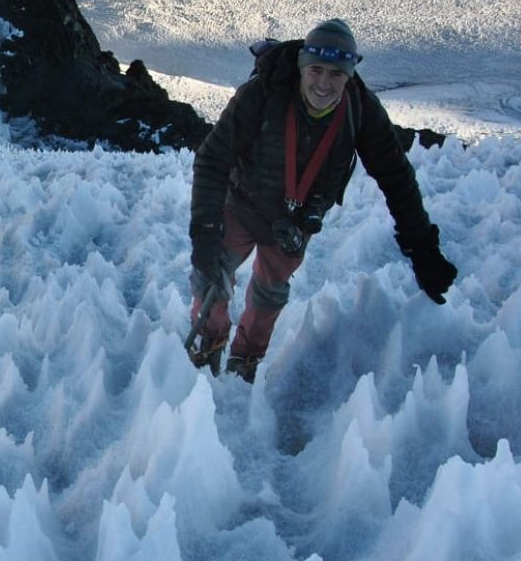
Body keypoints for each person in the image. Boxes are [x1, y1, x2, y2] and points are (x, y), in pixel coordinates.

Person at [187, 19, 457, 381]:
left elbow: (395, 176)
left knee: (270, 293)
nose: (324, 84)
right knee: (210, 279)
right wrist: (205, 231)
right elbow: (212, 158)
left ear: (350, 75)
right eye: (315, 70)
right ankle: (209, 343)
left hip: (294, 222)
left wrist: (422, 247)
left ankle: (245, 362)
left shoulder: (360, 111)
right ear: (301, 66)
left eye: (336, 74)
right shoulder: (263, 94)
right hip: (242, 205)